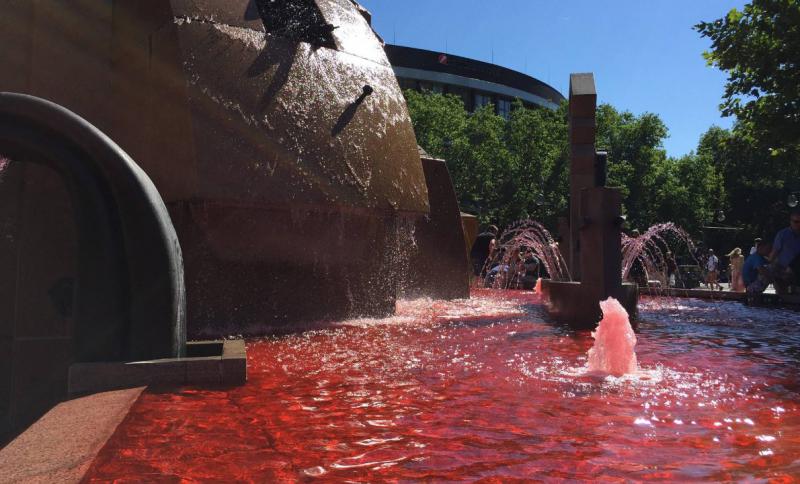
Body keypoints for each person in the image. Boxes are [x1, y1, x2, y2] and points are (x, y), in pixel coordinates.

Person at [768, 208, 800, 294]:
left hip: (797, 271)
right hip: (782, 270)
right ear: (791, 221)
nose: (799, 224)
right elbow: (774, 253)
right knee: (782, 294)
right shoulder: (782, 235)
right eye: (796, 222)